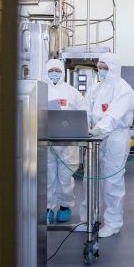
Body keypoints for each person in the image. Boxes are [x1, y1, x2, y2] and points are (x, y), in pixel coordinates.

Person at [84, 52, 134, 238]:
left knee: (112, 180)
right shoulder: (95, 88)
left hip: (116, 137)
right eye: (99, 67)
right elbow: (86, 110)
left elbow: (114, 115)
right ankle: (89, 216)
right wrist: (84, 126)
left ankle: (113, 223)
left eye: (105, 67)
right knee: (90, 177)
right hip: (95, 137)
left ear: (114, 68)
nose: (101, 71)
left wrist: (99, 128)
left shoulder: (124, 89)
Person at [45, 58, 88, 224]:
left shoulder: (72, 92)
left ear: (62, 72)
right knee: (47, 176)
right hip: (47, 140)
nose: (54, 74)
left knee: (65, 176)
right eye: (51, 71)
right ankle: (47, 208)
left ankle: (65, 206)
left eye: (57, 70)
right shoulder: (41, 90)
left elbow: (84, 112)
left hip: (68, 142)